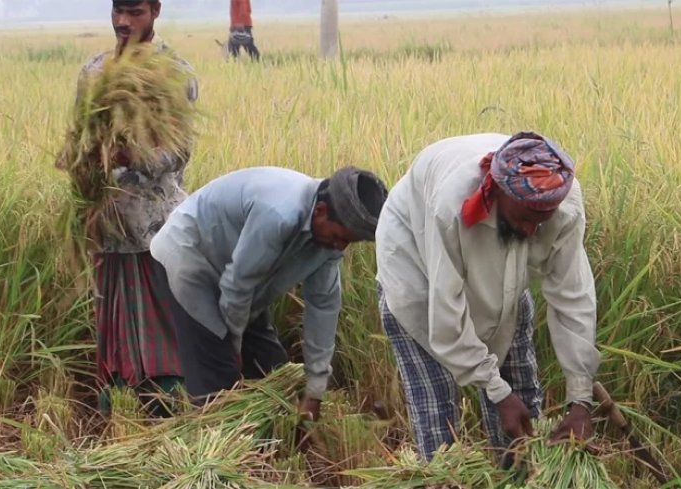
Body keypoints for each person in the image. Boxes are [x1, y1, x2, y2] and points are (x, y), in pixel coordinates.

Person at [374, 131, 601, 461]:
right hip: (420, 276)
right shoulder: (451, 205)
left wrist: (580, 401)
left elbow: (573, 297)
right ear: (497, 191)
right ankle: (445, 481)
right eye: (524, 218)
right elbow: (446, 313)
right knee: (438, 417)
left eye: (541, 221)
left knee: (522, 399)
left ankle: (520, 477)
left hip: (503, 279)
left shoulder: (561, 203)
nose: (528, 231)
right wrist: (496, 392)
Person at [150, 166, 388, 420]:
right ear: (320, 212)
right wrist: (232, 348)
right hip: (193, 258)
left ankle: (274, 438)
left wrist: (315, 391)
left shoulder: (329, 243)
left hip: (243, 276)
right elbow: (237, 286)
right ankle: (215, 440)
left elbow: (323, 308)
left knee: (274, 371)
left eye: (348, 242)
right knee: (219, 381)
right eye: (340, 237)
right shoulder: (279, 213)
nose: (340, 247)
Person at [65, 0, 199, 417]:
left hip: (155, 228)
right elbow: (79, 137)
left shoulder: (174, 72)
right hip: (105, 222)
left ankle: (170, 410)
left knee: (164, 320)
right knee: (114, 322)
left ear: (156, 10)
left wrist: (130, 157)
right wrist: (84, 159)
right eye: (118, 10)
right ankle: (119, 409)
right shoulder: (93, 71)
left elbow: (178, 152)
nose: (123, 21)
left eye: (135, 11)